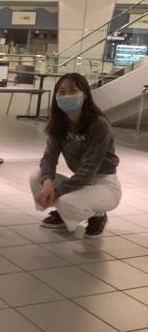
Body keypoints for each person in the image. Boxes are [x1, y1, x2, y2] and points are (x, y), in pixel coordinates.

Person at [30, 73, 121, 237]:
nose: (67, 96)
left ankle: (98, 215)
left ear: (85, 95)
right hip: (81, 180)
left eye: (73, 91)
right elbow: (49, 157)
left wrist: (57, 192)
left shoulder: (99, 124)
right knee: (37, 177)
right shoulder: (60, 123)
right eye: (62, 92)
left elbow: (89, 169)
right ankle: (63, 212)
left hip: (104, 183)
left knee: (67, 202)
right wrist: (48, 184)